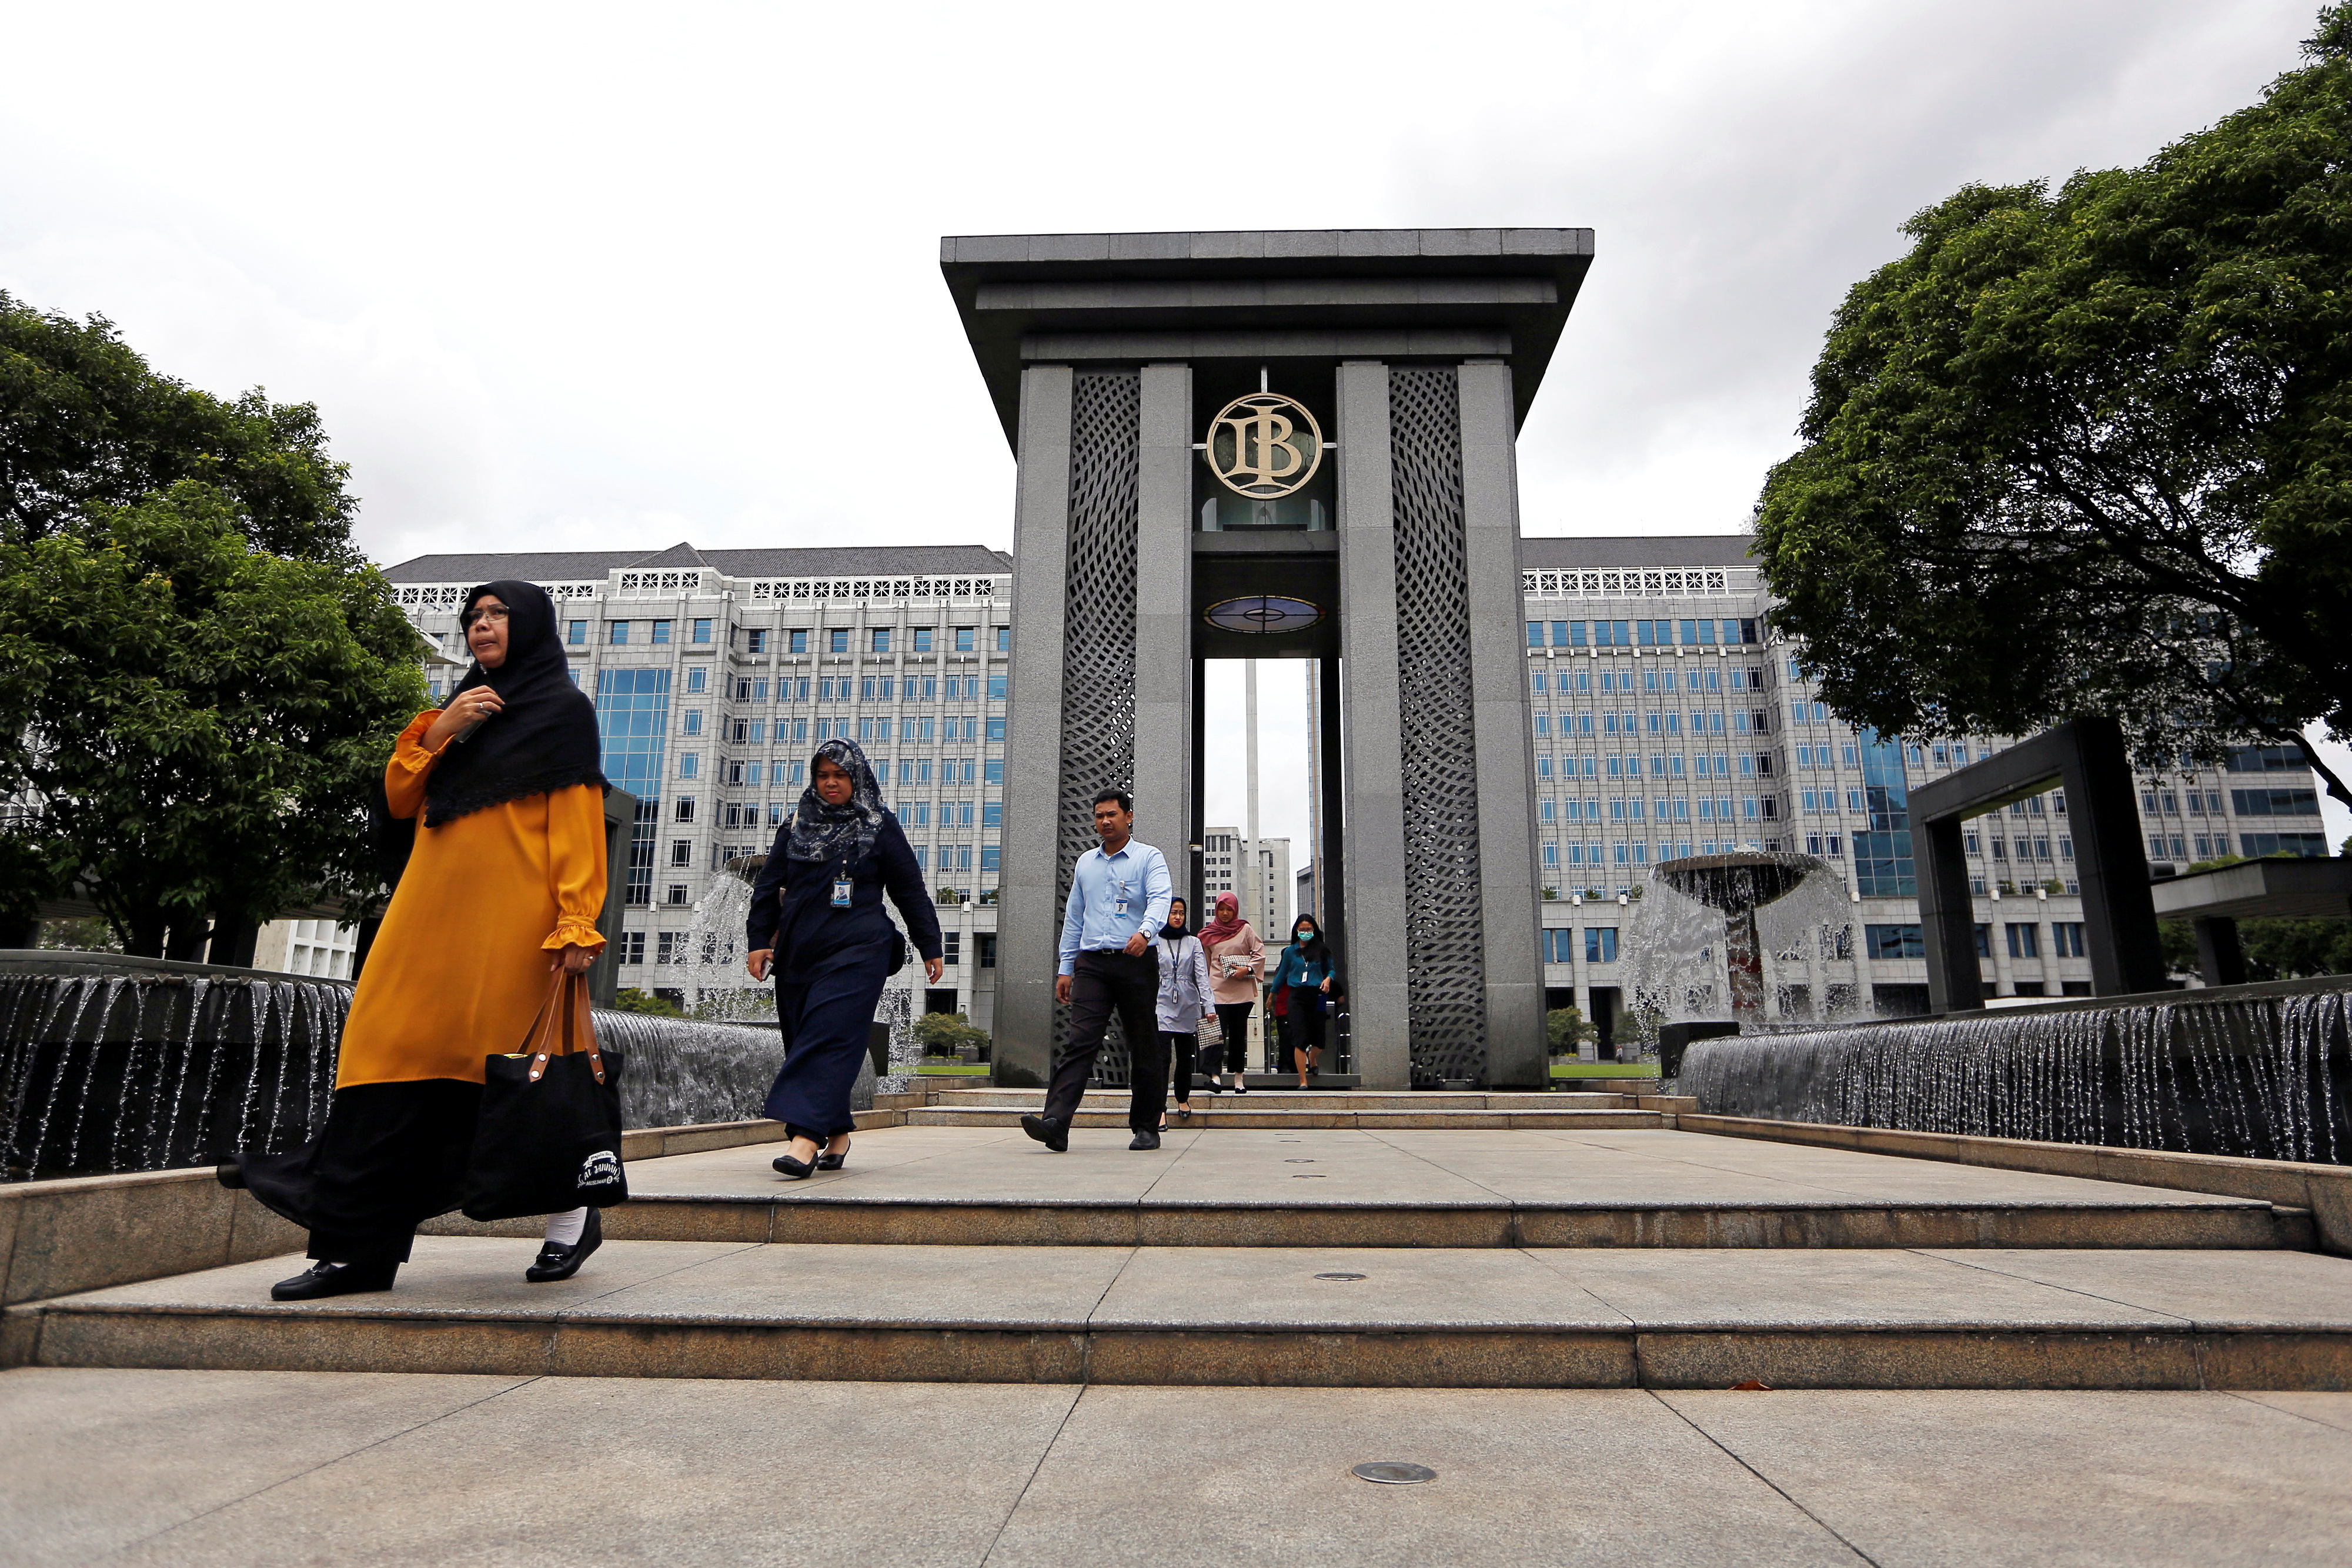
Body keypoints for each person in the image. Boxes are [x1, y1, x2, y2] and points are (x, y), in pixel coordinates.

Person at [230, 580, 610, 1299]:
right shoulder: (453, 715)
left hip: (515, 931)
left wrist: (575, 922)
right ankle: (354, 1254)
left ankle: (571, 1217)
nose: (482, 626)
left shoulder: (564, 712)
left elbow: (577, 824)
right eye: (473, 617)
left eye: (498, 615)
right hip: (425, 921)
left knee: (515, 1083)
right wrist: (441, 732)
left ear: (530, 627)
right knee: (381, 1064)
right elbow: (400, 800)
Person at [746, 738, 944, 1178]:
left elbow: (909, 889)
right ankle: (837, 1132)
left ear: (857, 778)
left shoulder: (879, 825)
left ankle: (805, 1139)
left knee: (829, 1033)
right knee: (803, 1038)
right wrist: (759, 939)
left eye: (840, 775)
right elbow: (768, 886)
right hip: (799, 951)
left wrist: (930, 945)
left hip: (859, 948)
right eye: (823, 775)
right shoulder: (796, 826)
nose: (831, 783)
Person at [1021, 788, 1171, 1152]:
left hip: (1135, 959)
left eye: (1112, 815)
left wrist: (1145, 931)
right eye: (1100, 816)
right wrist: (1066, 967)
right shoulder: (1086, 862)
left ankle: (1147, 1126)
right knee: (1079, 1042)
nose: (1105, 821)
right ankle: (1056, 1123)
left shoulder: (1148, 858)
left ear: (1129, 817)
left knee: (1143, 1043)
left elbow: (1161, 898)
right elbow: (1075, 917)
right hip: (1092, 963)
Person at [1151, 897, 1212, 1128]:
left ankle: (1183, 1098)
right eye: (1173, 912)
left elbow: (1202, 977)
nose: (1178, 917)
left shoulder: (1193, 942)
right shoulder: (1155, 940)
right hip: (1162, 1001)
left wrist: (1209, 1006)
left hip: (1187, 1003)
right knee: (1163, 1058)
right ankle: (1159, 1109)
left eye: (1181, 913)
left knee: (1186, 1057)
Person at [1198, 892, 1262, 1095]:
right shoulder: (1207, 934)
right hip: (1217, 990)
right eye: (1221, 909)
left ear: (1235, 910)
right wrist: (1203, 992)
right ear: (1216, 910)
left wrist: (1248, 970)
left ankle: (1238, 1078)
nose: (1225, 913)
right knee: (1216, 1035)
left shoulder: (1245, 929)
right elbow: (1206, 965)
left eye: (1229, 909)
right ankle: (1215, 1077)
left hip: (1241, 991)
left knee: (1237, 1036)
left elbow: (1259, 952)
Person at [1271, 913, 1334, 1088]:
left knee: (1320, 1040)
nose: (1306, 932)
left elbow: (1331, 970)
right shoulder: (1291, 952)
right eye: (1302, 929)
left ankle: (1312, 1057)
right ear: (1296, 931)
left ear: (1314, 930)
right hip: (1297, 996)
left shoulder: (1322, 950)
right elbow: (1281, 975)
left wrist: (1328, 978)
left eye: (1309, 929)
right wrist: (1272, 994)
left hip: (1318, 995)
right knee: (1300, 1038)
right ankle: (1303, 1080)